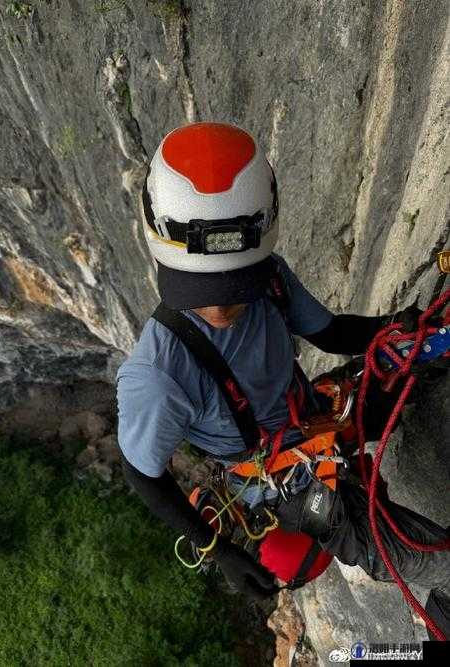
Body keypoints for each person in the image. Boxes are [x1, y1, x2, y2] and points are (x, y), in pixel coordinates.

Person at [116, 122, 450, 639]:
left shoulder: (270, 277)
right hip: (283, 486)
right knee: (443, 563)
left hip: (314, 414)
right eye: (200, 288)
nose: (222, 303)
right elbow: (143, 474)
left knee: (426, 356)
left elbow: (333, 332)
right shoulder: (157, 375)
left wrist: (392, 330)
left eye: (236, 284)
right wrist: (219, 550)